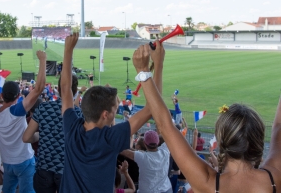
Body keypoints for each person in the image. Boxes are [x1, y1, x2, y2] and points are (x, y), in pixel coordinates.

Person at [133, 40, 281, 193]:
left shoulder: (208, 183)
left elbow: (165, 124)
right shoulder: (274, 179)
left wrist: (144, 70)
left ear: (222, 141)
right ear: (259, 142)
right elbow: (278, 127)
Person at [59, 33, 163, 193]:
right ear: (105, 115)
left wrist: (68, 50)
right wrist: (157, 64)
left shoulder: (72, 127)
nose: (118, 109)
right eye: (116, 108)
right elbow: (151, 108)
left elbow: (65, 89)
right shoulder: (109, 138)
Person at [0, 50, 46, 193]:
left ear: (1, 95)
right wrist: (43, 60)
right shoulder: (18, 111)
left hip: (8, 163)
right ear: (19, 96)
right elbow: (38, 89)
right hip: (25, 161)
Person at [22, 74, 82, 193]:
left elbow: (26, 137)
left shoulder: (43, 108)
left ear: (58, 89)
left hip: (44, 169)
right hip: (67, 172)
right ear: (75, 91)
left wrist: (42, 135)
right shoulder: (79, 114)